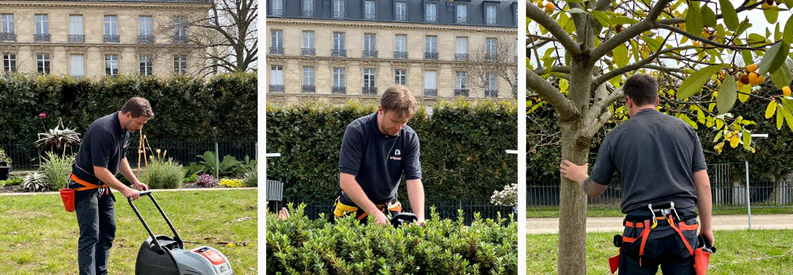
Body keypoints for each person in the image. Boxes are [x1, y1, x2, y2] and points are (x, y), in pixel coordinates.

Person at [559, 74, 713, 274]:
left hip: (640, 234)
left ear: (628, 101)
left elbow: (595, 190)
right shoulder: (686, 130)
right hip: (683, 232)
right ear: (657, 100)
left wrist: (580, 175)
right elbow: (703, 186)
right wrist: (706, 229)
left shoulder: (615, 137)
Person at [70, 97, 153, 275]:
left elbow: (120, 158)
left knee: (108, 231)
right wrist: (124, 189)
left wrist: (134, 182)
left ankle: (101, 272)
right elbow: (99, 170)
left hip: (102, 188)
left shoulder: (125, 130)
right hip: (85, 187)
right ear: (128, 114)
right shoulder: (104, 130)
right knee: (90, 236)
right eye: (139, 123)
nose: (140, 128)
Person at [334, 85, 425, 226]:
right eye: (394, 121)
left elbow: (413, 179)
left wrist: (420, 218)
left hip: (389, 209)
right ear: (380, 110)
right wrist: (374, 212)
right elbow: (346, 181)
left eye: (404, 122)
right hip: (352, 210)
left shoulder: (409, 137)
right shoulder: (357, 131)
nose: (399, 128)